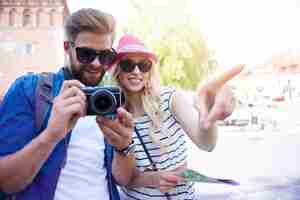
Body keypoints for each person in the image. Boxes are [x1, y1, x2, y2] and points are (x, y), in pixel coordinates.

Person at [0, 8, 135, 200]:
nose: (97, 64)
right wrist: (50, 136)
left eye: (105, 56)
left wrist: (124, 147)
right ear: (66, 47)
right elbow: (6, 182)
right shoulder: (29, 90)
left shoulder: (109, 102)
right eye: (86, 54)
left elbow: (123, 179)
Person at [110, 34, 241, 200]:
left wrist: (209, 115)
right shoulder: (112, 114)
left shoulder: (170, 98)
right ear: (117, 71)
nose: (137, 71)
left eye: (144, 65)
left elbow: (206, 144)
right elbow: (122, 178)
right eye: (128, 64)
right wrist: (155, 178)